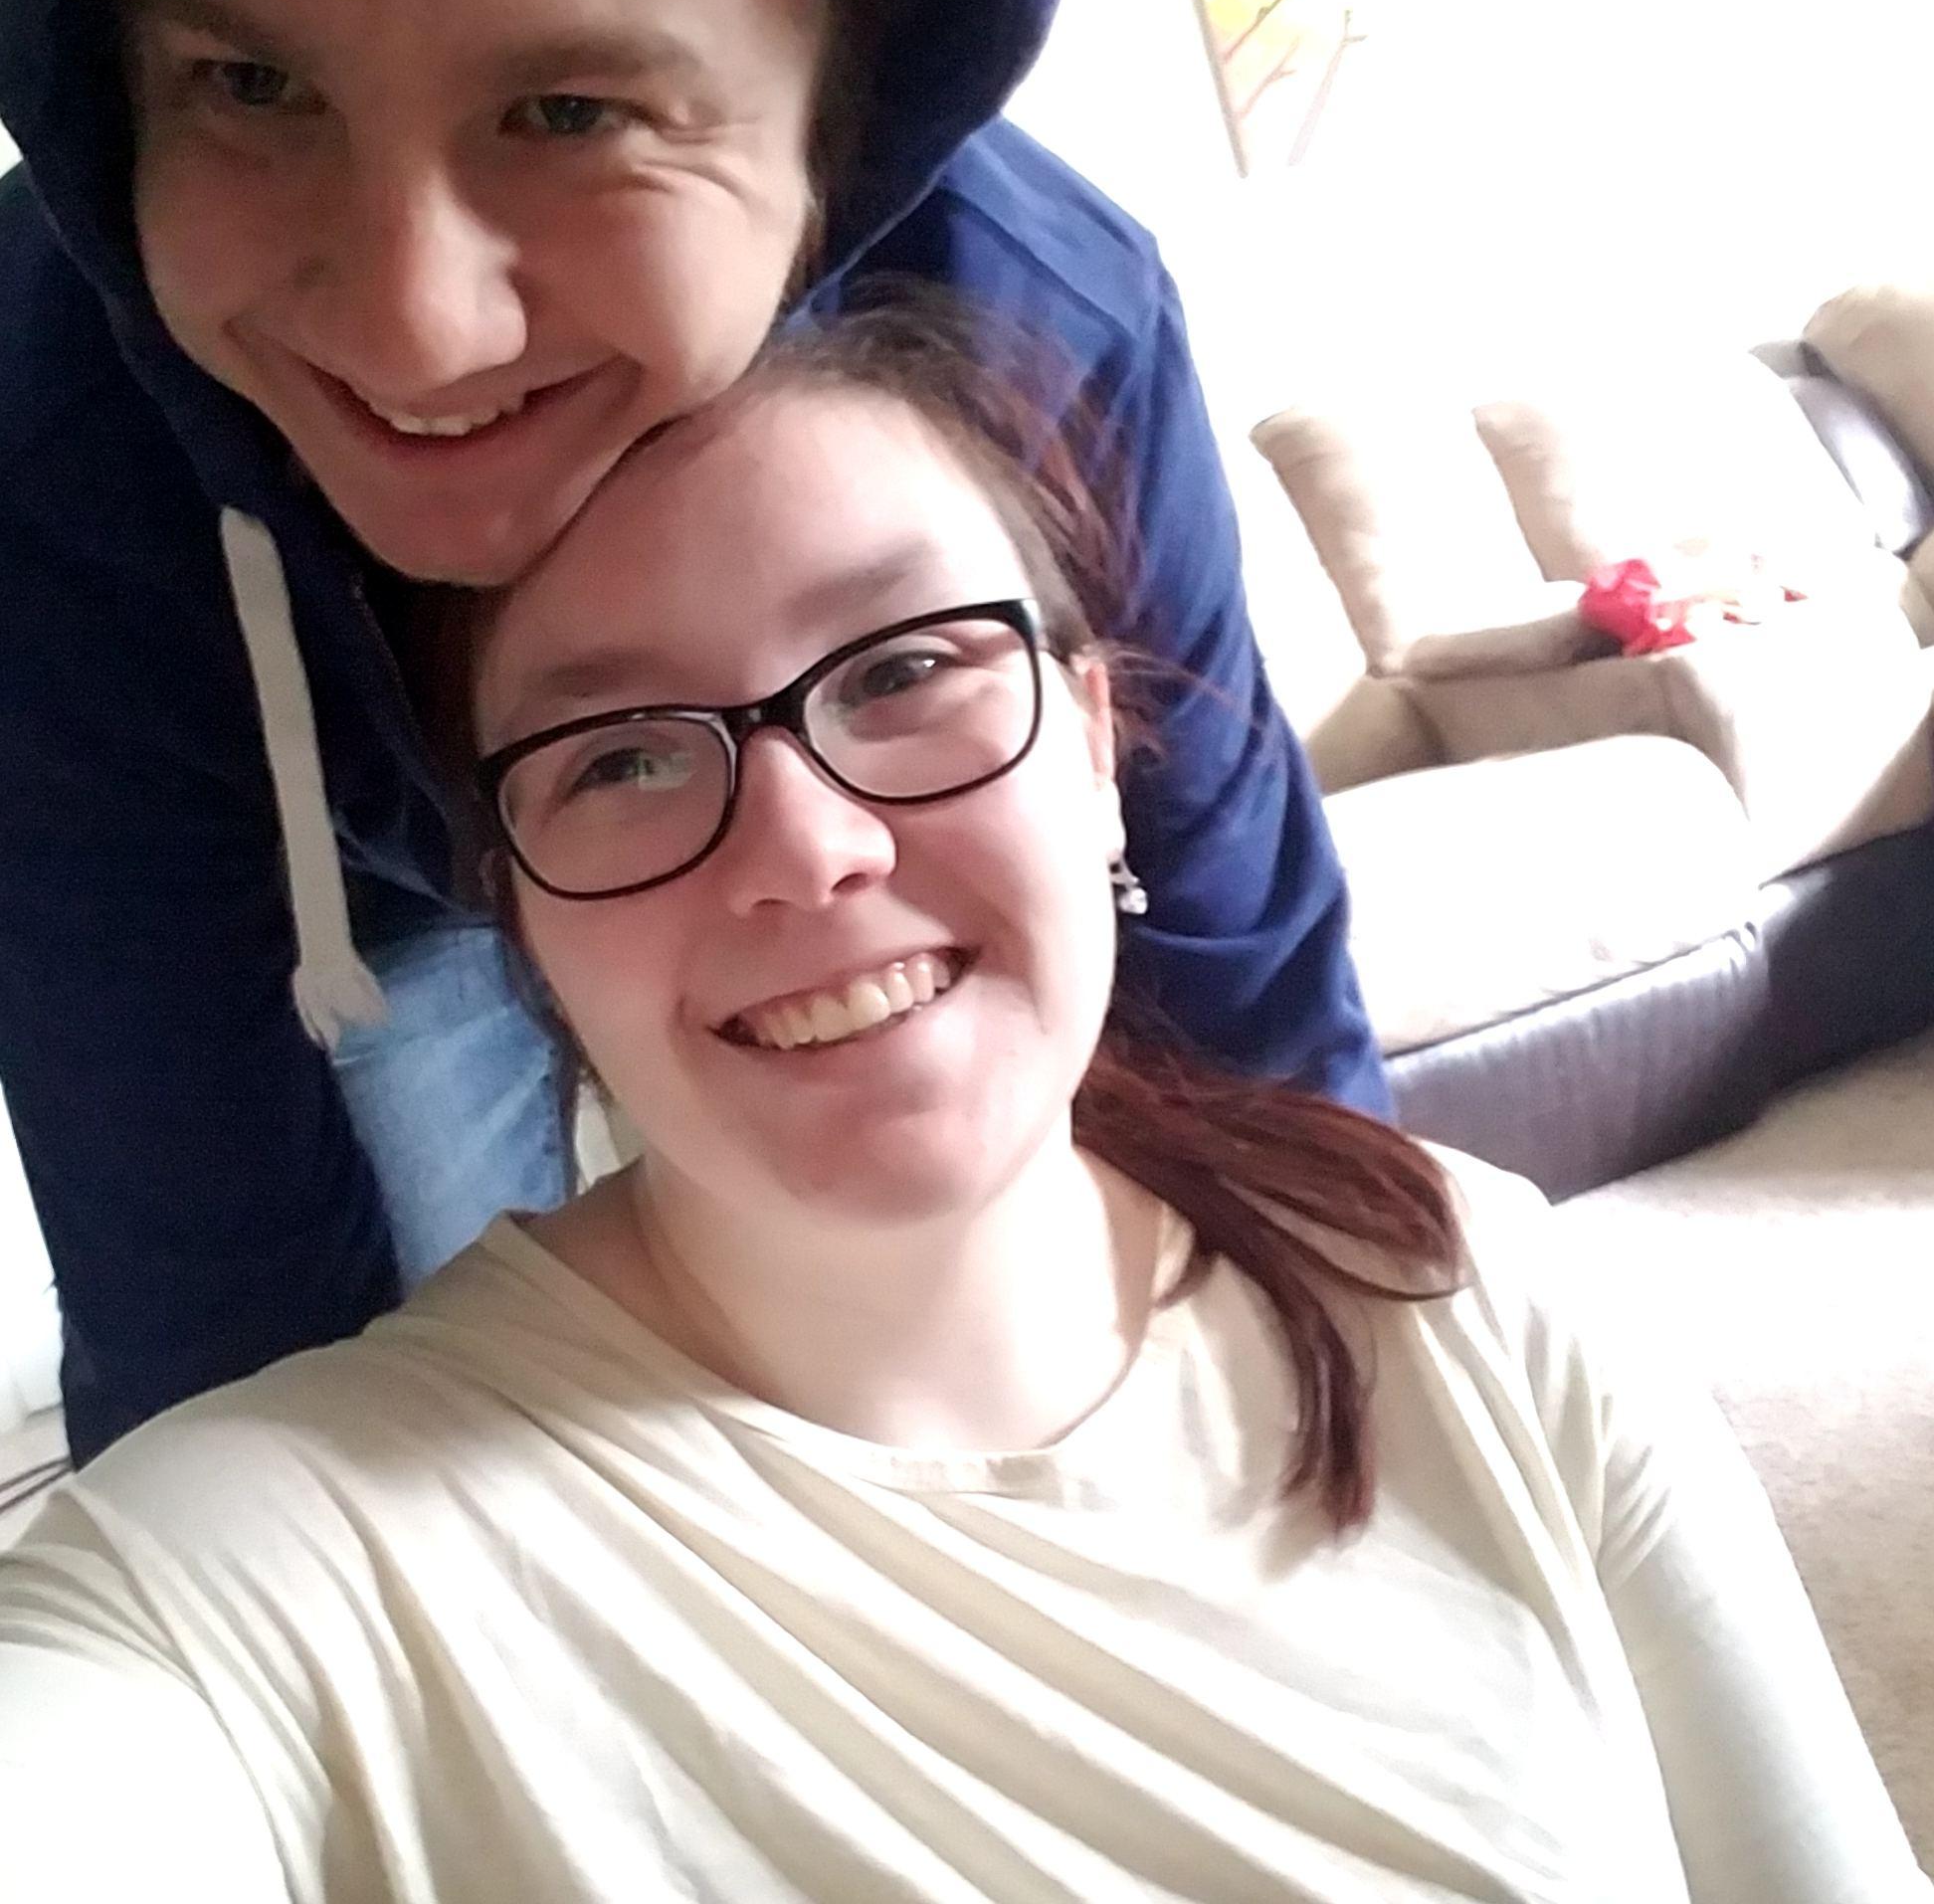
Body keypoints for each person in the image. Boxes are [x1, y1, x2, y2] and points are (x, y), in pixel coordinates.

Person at [1, 319, 1924, 1904]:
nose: (808, 851)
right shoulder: (248, 1582)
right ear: (520, 921)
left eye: (907, 667)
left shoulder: (1466, 1280)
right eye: (624, 756)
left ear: (1094, 743)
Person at [0, 0, 1386, 1467]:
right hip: (336, 895)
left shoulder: (1050, 309)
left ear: (834, 99)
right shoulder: (40, 442)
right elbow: (190, 1274)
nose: (420, 335)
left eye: (569, 112)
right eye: (253, 86)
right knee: (422, 1434)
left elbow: (1252, 1015)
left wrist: (1387, 1388)